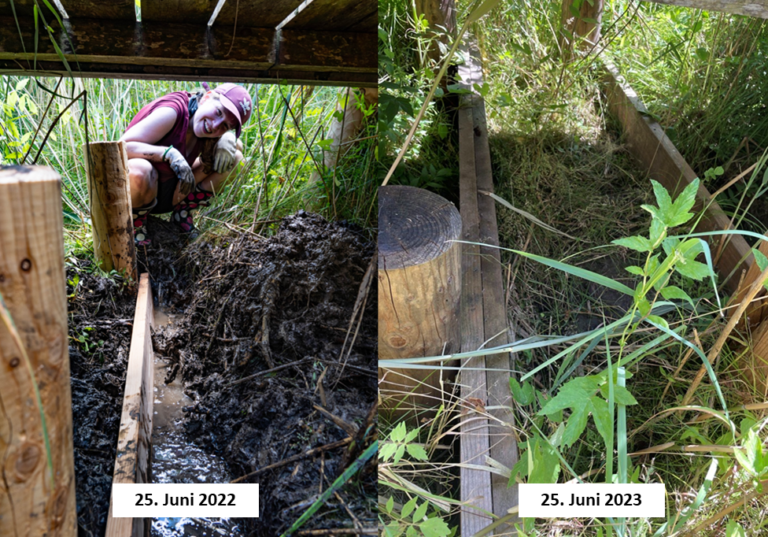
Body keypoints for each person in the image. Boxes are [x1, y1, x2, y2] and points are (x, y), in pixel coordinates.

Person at [120, 83, 252, 245]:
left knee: (236, 158)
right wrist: (168, 154)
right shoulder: (173, 111)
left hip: (170, 194)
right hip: (135, 192)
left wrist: (229, 139)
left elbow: (236, 147)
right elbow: (120, 148)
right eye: (218, 112)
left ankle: (182, 215)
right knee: (141, 169)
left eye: (225, 126)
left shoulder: (209, 129)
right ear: (207, 97)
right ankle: (136, 224)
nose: (215, 125)